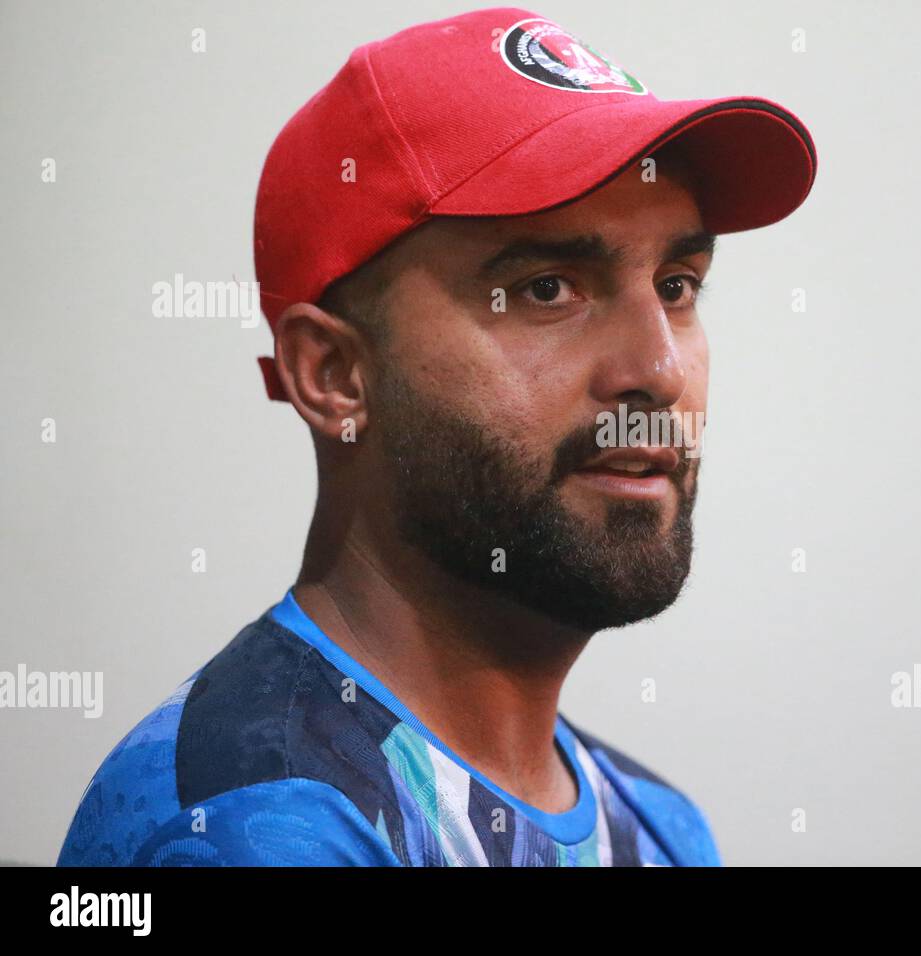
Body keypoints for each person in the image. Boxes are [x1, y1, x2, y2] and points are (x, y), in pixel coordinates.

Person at [57, 6, 816, 866]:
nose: (661, 368)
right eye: (546, 289)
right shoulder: (253, 827)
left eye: (677, 285)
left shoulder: (664, 831)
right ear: (334, 375)